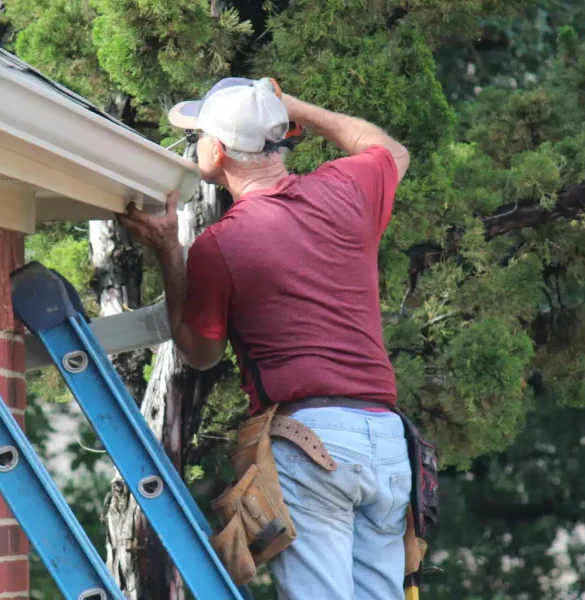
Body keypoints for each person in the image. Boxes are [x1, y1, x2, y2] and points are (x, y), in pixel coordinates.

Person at [116, 77, 413, 599]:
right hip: (387, 441)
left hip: (312, 444)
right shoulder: (347, 191)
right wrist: (291, 104)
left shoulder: (222, 245)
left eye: (197, 136)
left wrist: (168, 251)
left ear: (214, 149)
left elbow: (200, 351)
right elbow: (389, 149)